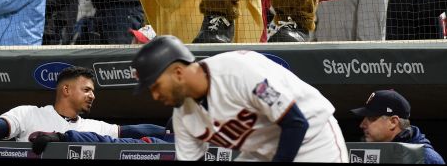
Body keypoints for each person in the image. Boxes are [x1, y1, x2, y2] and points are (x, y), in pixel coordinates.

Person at [131, 35, 348, 162]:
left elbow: (296, 123)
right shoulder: (183, 116)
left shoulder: (239, 72)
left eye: (156, 86)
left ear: (178, 72)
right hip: (263, 151)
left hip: (312, 138)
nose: (155, 95)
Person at [0, 66, 166, 150]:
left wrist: (169, 131)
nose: (93, 95)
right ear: (66, 89)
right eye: (87, 89)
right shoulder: (30, 113)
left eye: (93, 91)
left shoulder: (94, 127)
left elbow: (133, 131)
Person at [351, 90, 444, 164]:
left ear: (393, 122)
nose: (362, 125)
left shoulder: (425, 158)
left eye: (371, 118)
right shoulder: (369, 152)